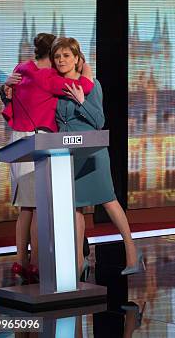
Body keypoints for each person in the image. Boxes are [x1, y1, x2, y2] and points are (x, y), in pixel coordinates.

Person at [0, 32, 95, 283]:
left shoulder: (22, 68)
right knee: (39, 205)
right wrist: (86, 72)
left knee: (26, 207)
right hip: (36, 143)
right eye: (57, 55)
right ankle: (34, 264)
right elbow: (81, 87)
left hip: (18, 141)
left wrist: (3, 90)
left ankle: (21, 261)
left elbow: (10, 98)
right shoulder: (47, 77)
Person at [51, 37, 144, 277]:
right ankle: (79, 261)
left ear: (76, 58)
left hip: (93, 152)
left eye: (66, 56)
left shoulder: (91, 85)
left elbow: (99, 121)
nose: (61, 60)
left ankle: (132, 252)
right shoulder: (54, 87)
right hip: (67, 153)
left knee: (108, 200)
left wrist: (81, 101)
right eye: (58, 56)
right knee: (75, 207)